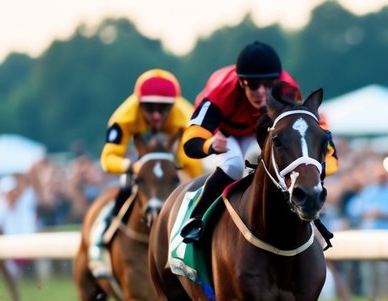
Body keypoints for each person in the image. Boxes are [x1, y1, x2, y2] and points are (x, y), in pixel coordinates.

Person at [178, 41, 337, 243]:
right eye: (253, 85)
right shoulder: (220, 92)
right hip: (225, 136)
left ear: (277, 81)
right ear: (241, 82)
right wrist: (208, 145)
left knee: (274, 165)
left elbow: (311, 129)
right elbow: (190, 140)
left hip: (260, 134)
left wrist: (322, 163)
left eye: (268, 85)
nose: (261, 91)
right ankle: (197, 218)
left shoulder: (287, 89)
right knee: (234, 165)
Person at [93, 69, 202, 268]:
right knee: (126, 186)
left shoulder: (186, 116)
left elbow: (193, 165)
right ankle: (102, 235)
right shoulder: (124, 117)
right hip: (140, 159)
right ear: (138, 104)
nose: (156, 115)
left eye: (163, 108)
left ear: (174, 105)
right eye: (149, 108)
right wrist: (132, 166)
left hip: (172, 158)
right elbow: (107, 158)